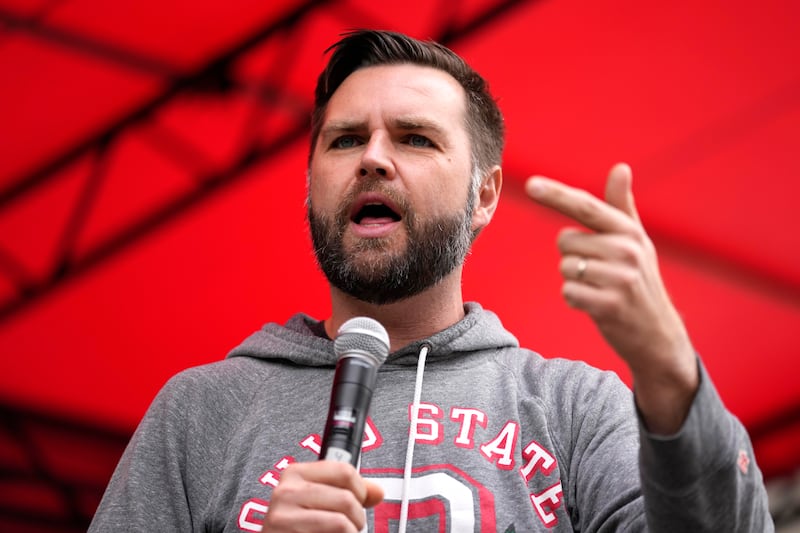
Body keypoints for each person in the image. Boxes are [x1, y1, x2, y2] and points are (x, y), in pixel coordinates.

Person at [89, 29, 773, 532]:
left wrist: (669, 371)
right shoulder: (200, 413)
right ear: (309, 184)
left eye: (415, 138)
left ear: (485, 195)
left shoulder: (577, 410)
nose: (374, 159)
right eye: (345, 139)